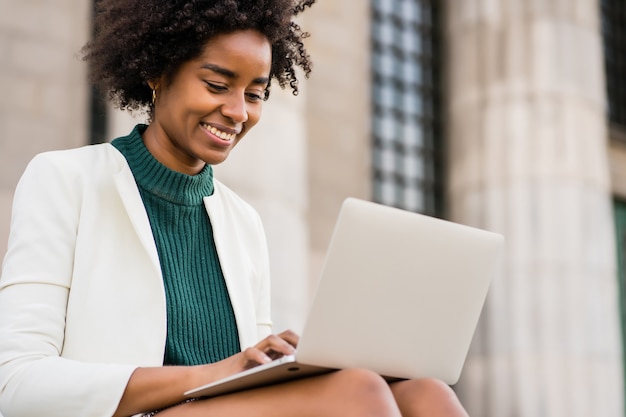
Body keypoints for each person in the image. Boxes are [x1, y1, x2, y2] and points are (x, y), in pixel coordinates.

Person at [0, 1, 470, 416]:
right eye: (217, 84)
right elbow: (16, 385)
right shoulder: (66, 179)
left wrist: (277, 364)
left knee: (424, 393)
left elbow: (247, 384)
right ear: (158, 73)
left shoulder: (242, 222)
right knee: (358, 394)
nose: (238, 111)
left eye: (254, 93)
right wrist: (217, 372)